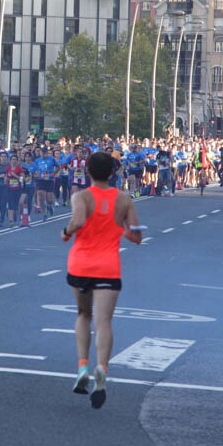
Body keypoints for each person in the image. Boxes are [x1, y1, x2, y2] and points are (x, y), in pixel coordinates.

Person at [61, 151, 143, 410]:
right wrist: (118, 228)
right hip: (108, 266)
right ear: (113, 173)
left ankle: (82, 366)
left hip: (81, 263)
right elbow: (136, 236)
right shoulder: (124, 199)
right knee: (104, 320)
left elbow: (78, 221)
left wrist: (65, 232)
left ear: (87, 171)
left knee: (83, 315)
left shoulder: (80, 196)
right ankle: (102, 371)